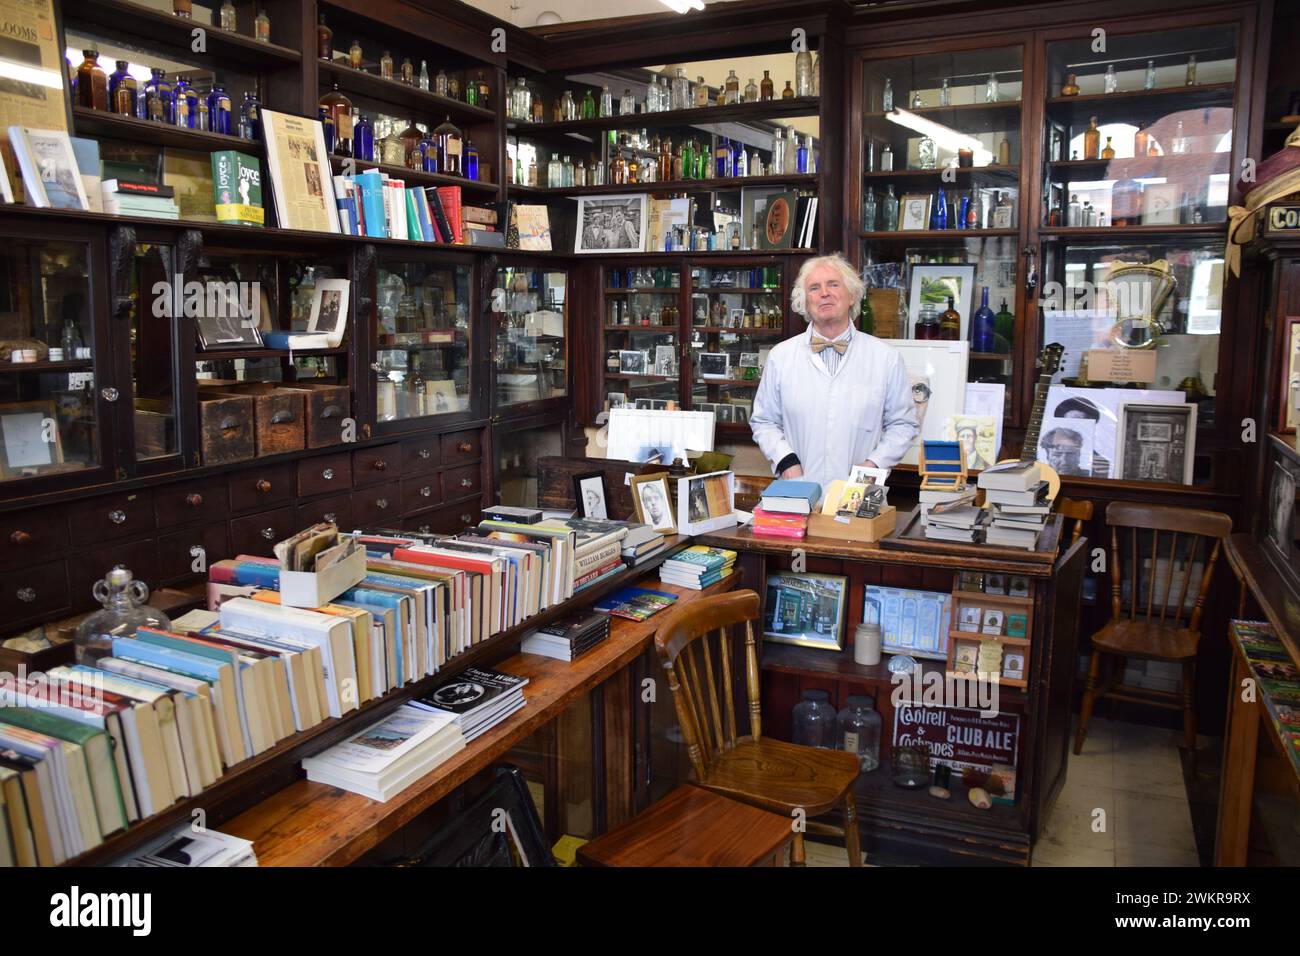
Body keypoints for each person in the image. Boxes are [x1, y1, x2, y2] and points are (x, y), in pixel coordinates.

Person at [750, 253, 918, 489]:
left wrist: (872, 467)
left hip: (859, 495)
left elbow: (903, 425)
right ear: (805, 302)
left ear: (852, 295)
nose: (824, 293)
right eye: (814, 288)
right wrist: (787, 463)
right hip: (797, 490)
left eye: (833, 284)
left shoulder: (885, 358)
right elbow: (764, 421)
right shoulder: (781, 356)